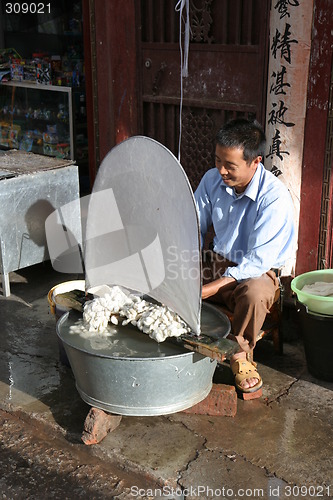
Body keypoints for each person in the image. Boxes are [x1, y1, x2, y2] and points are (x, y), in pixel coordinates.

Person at [194, 118, 295, 397]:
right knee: (169, 269)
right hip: (216, 262)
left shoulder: (274, 198)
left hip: (253, 274)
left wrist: (211, 287)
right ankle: (175, 333)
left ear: (255, 162)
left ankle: (239, 354)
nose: (221, 170)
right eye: (217, 161)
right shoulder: (211, 179)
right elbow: (192, 224)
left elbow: (257, 262)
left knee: (255, 293)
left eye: (230, 165)